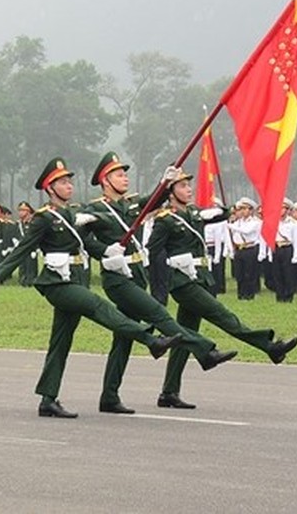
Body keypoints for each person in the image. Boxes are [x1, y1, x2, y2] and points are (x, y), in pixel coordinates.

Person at [0, 158, 181, 419]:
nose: (69, 186)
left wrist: (108, 252)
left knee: (60, 342)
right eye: (63, 182)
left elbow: (88, 243)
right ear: (50, 188)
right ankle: (150, 339)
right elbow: (23, 249)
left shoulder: (73, 213)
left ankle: (48, 399)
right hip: (56, 283)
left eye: (69, 181)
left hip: (76, 278)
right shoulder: (44, 218)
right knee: (98, 306)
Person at [83, 153, 236, 415]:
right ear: (105, 181)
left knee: (123, 339)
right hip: (117, 279)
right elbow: (82, 238)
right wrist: (104, 251)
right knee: (158, 314)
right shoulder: (94, 209)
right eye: (119, 174)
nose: (125, 177)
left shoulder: (131, 205)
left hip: (136, 275)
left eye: (125, 173)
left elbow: (154, 200)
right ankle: (204, 350)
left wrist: (165, 183)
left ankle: (109, 396)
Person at [146, 167, 297, 409]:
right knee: (223, 316)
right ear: (171, 192)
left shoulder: (194, 213)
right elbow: (153, 252)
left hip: (200, 278)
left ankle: (168, 392)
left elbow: (217, 215)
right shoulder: (165, 220)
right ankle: (270, 347)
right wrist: (161, 287)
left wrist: (227, 210)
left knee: (183, 336)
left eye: (189, 185)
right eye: (183, 186)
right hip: (183, 282)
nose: (188, 189)